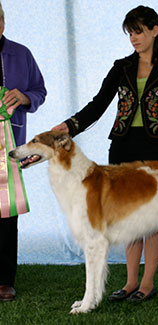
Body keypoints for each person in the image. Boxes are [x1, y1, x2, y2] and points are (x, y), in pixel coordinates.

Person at [52, 5, 158, 303]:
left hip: (155, 151)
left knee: (152, 218)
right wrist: (70, 126)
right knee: (126, 217)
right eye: (130, 33)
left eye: (138, 32)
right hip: (122, 147)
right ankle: (129, 282)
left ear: (155, 30)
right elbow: (98, 104)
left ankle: (148, 284)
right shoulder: (121, 67)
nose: (134, 39)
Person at [0, 2, 47, 301]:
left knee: (7, 212)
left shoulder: (22, 53)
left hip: (10, 145)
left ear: (2, 21)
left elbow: (40, 90)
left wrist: (26, 97)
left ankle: (5, 280)